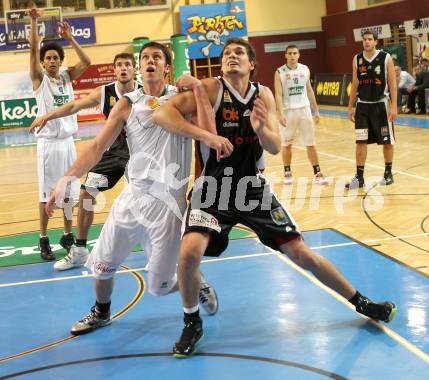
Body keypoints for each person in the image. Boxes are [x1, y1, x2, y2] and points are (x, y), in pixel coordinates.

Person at [154, 37, 397, 358]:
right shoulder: (212, 89)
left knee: (302, 254)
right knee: (189, 253)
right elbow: (161, 115)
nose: (232, 57)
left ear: (252, 63)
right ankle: (191, 321)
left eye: (239, 52)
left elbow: (272, 146)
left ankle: (362, 302)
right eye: (227, 53)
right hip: (212, 188)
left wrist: (261, 128)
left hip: (252, 189)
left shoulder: (262, 94)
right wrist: (207, 135)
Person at [46, 42, 233, 335]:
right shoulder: (127, 103)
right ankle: (101, 312)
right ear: (139, 66)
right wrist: (66, 179)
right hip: (132, 198)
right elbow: (97, 146)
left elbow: (210, 133)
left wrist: (197, 89)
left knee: (159, 287)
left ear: (166, 67)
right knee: (102, 266)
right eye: (144, 57)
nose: (150, 61)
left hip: (168, 205)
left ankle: (195, 282)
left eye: (156, 57)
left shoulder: (182, 100)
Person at [30, 53, 141, 271]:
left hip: (141, 155)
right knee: (86, 192)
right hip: (114, 153)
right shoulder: (105, 92)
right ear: (114, 70)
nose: (123, 68)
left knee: (145, 201)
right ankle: (80, 249)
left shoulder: (146, 91)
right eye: (119, 65)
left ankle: (160, 251)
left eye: (127, 64)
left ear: (134, 69)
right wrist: (47, 116)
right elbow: (73, 107)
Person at [28, 8, 91, 260]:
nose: (52, 61)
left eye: (56, 58)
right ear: (43, 63)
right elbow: (33, 49)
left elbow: (86, 62)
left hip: (68, 144)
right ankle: (43, 238)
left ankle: (66, 235)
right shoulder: (39, 80)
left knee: (69, 194)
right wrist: (33, 21)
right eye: (49, 58)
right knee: (47, 196)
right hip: (49, 146)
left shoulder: (66, 77)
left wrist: (71, 38)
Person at [346, 30, 397, 189]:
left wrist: (394, 106)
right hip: (362, 106)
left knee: (387, 141)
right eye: (364, 40)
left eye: (370, 39)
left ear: (376, 41)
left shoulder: (385, 58)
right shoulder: (357, 59)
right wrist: (350, 106)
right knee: (360, 142)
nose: (366, 42)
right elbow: (355, 84)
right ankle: (359, 177)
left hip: (381, 105)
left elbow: (392, 83)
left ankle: (388, 174)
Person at [274, 45, 328, 185]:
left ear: (299, 55)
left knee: (311, 143)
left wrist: (316, 110)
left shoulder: (305, 69)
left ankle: (317, 172)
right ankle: (287, 172)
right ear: (285, 55)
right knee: (287, 144)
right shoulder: (280, 72)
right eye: (290, 53)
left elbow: (309, 90)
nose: (292, 56)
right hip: (288, 111)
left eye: (295, 53)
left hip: (304, 110)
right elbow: (278, 95)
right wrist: (279, 113)